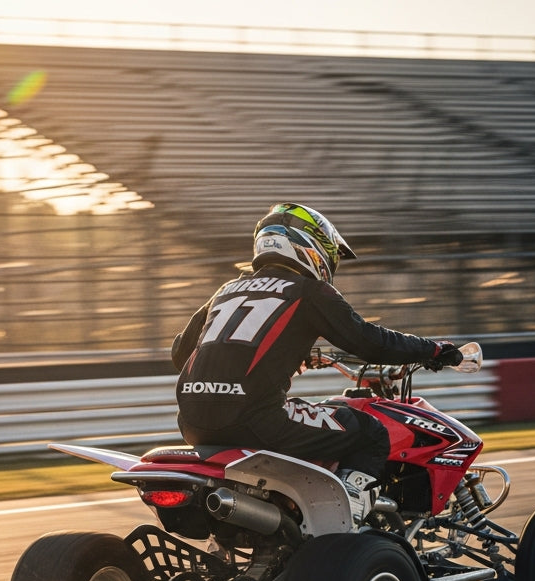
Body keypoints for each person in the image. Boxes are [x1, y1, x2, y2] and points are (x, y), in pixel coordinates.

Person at [171, 201, 463, 524]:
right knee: (371, 432)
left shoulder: (226, 291)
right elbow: (370, 342)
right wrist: (432, 350)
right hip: (260, 420)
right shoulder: (309, 291)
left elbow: (180, 353)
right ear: (310, 246)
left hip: (192, 424)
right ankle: (347, 523)